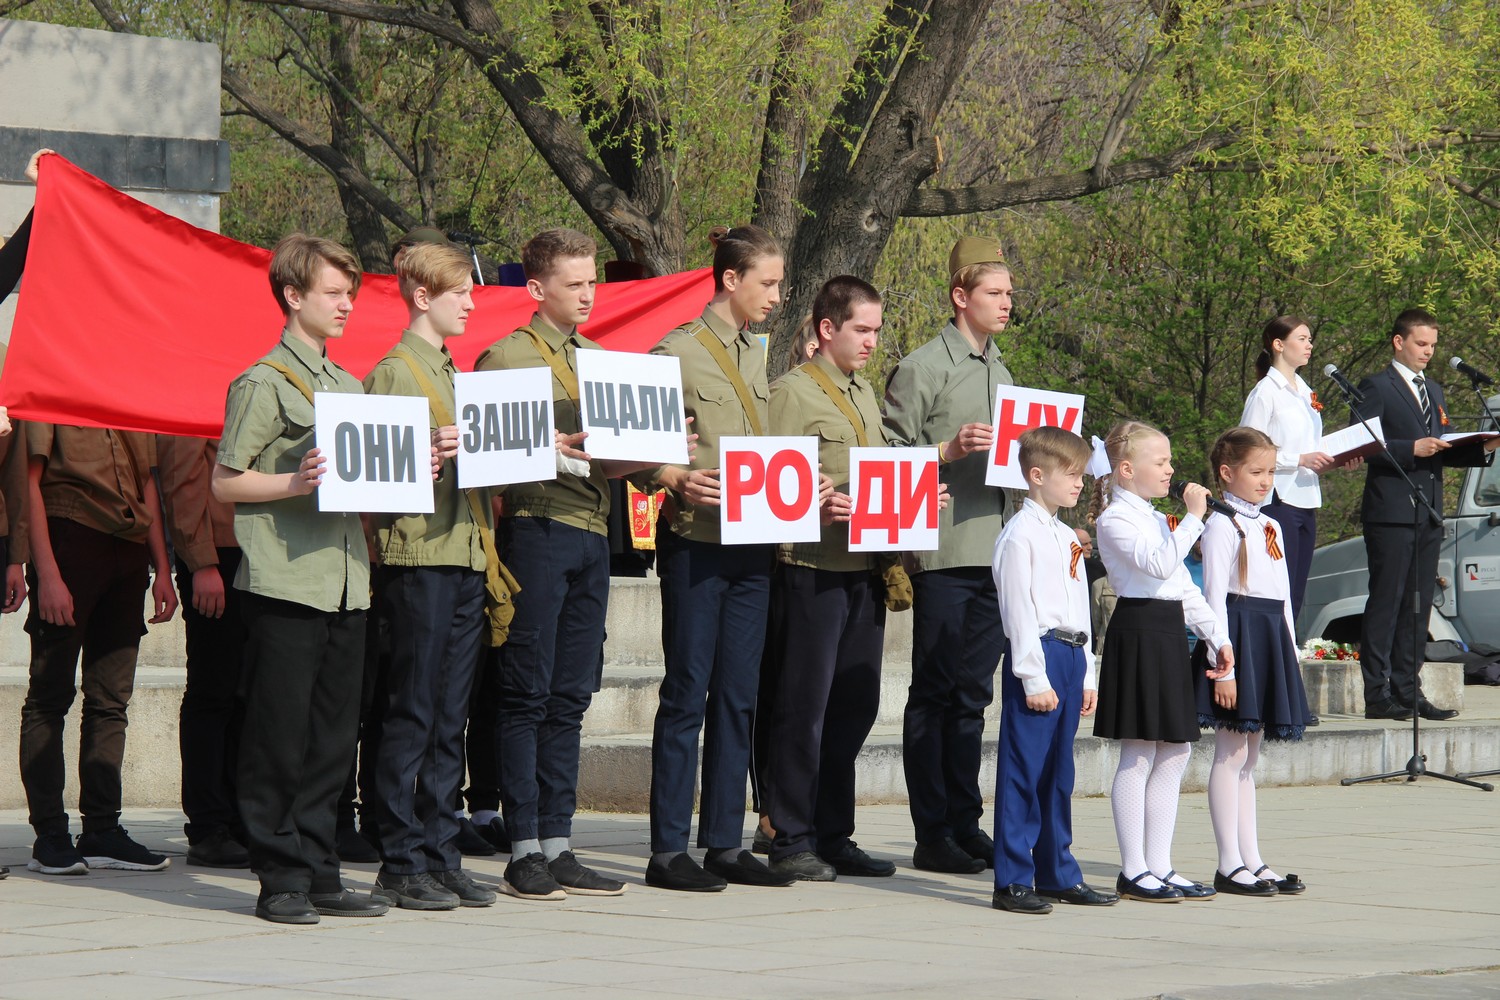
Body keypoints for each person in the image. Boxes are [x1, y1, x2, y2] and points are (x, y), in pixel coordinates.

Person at [213, 233, 396, 924]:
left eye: (350, 294)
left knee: (332, 739)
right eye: (334, 293)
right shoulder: (261, 382)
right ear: (293, 296)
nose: (347, 305)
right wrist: (293, 482)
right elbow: (225, 482)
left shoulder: (348, 385)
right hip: (286, 581)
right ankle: (279, 877)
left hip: (347, 580)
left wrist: (414, 464)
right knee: (278, 736)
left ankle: (320, 870)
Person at [473, 227, 652, 901]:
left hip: (592, 533)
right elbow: (489, 458)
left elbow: (611, 462)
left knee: (572, 694)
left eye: (591, 282)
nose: (587, 294)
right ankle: (522, 847)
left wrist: (655, 448)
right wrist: (547, 447)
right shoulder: (506, 358)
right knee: (526, 691)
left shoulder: (601, 361)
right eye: (573, 283)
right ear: (535, 288)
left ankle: (558, 842)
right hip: (537, 528)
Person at [634, 225, 796, 892]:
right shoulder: (674, 352)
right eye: (768, 282)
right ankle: (668, 849)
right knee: (686, 694)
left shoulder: (754, 354)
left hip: (752, 547)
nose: (777, 296)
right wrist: (671, 475)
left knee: (738, 696)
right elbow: (634, 447)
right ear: (731, 279)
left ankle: (724, 842)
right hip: (697, 544)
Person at [362, 240, 498, 910]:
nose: (471, 304)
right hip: (418, 559)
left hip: (464, 553)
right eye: (460, 293)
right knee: (411, 711)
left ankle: (442, 853)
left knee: (450, 717)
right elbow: (373, 477)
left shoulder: (451, 370)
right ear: (422, 297)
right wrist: (429, 454)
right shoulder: (395, 372)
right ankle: (399, 858)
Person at [882, 235, 1015, 874]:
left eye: (1010, 293)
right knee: (934, 692)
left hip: (996, 553)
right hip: (942, 552)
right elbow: (884, 458)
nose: (1007, 303)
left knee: (973, 697)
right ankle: (931, 832)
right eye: (995, 292)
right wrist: (946, 451)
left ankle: (966, 822)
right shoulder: (922, 366)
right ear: (961, 296)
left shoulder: (1003, 372)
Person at [761, 275, 892, 882]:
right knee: (802, 709)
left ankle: (833, 833)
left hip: (864, 569)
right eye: (861, 329)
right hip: (809, 570)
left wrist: (916, 498)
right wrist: (818, 506)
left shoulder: (863, 393)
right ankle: (789, 835)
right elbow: (768, 486)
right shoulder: (792, 393)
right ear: (826, 328)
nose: (871, 341)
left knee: (854, 707)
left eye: (876, 331)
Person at [20, 421, 177, 875]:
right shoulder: (55, 392)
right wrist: (48, 573)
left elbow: (147, 484)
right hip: (71, 537)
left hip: (128, 547)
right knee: (49, 697)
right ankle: (50, 834)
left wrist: (162, 567)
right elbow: (29, 481)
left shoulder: (126, 395)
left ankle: (102, 828)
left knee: (111, 699)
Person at [1089, 420, 1232, 903]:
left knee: (1175, 749)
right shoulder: (1115, 519)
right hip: (1139, 631)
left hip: (1169, 630)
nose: (1171, 470)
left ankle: (1160, 864)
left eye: (1170, 461)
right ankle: (1133, 869)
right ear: (1127, 469)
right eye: (1162, 461)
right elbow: (1157, 564)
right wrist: (1193, 518)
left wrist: (1216, 637)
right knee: (1140, 750)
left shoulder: (1154, 517)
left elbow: (1182, 587)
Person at [990, 427, 1118, 914]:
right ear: (1037, 476)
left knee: (1059, 773)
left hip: (1070, 654)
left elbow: (1079, 611)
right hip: (1039, 654)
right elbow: (1018, 610)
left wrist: (1086, 674)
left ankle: (1056, 872)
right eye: (1071, 474)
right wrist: (1032, 676)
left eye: (1082, 474)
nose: (1080, 483)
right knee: (1024, 771)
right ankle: (1012, 879)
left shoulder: (1067, 536)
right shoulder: (1018, 535)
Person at [1355, 309, 1498, 721]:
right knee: (1387, 602)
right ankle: (1377, 694)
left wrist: (1485, 446)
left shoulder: (1433, 389)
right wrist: (1409, 449)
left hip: (1427, 510)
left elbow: (1441, 449)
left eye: (1433, 345)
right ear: (1399, 341)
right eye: (1421, 344)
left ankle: (1408, 689)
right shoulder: (1376, 386)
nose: (1428, 352)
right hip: (1391, 512)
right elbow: (1361, 444)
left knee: (1418, 606)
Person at [1192, 427, 1313, 897]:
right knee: (1231, 752)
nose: (1266, 481)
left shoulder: (1271, 525)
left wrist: (1290, 654)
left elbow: (1283, 599)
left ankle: (1253, 858)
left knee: (1250, 756)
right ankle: (1229, 863)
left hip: (1269, 637)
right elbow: (1213, 598)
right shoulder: (1221, 525)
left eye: (1270, 472)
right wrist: (1225, 666)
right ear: (1227, 473)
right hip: (1236, 638)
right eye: (1256, 471)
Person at [157, 434, 251, 868]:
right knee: (213, 692)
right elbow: (181, 480)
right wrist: (201, 562)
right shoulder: (200, 396)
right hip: (218, 555)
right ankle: (209, 825)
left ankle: (240, 818)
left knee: (248, 695)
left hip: (259, 552)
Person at [1240, 317, 1334, 618]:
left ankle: (1288, 644)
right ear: (1279, 345)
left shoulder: (1306, 391)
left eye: (1310, 339)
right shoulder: (1265, 392)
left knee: (1296, 588)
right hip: (1279, 498)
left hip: (1307, 496)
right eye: (1302, 339)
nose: (1310, 345)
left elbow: (1310, 444)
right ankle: (1274, 643)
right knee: (1278, 584)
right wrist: (1299, 460)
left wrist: (1334, 459)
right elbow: (1249, 449)